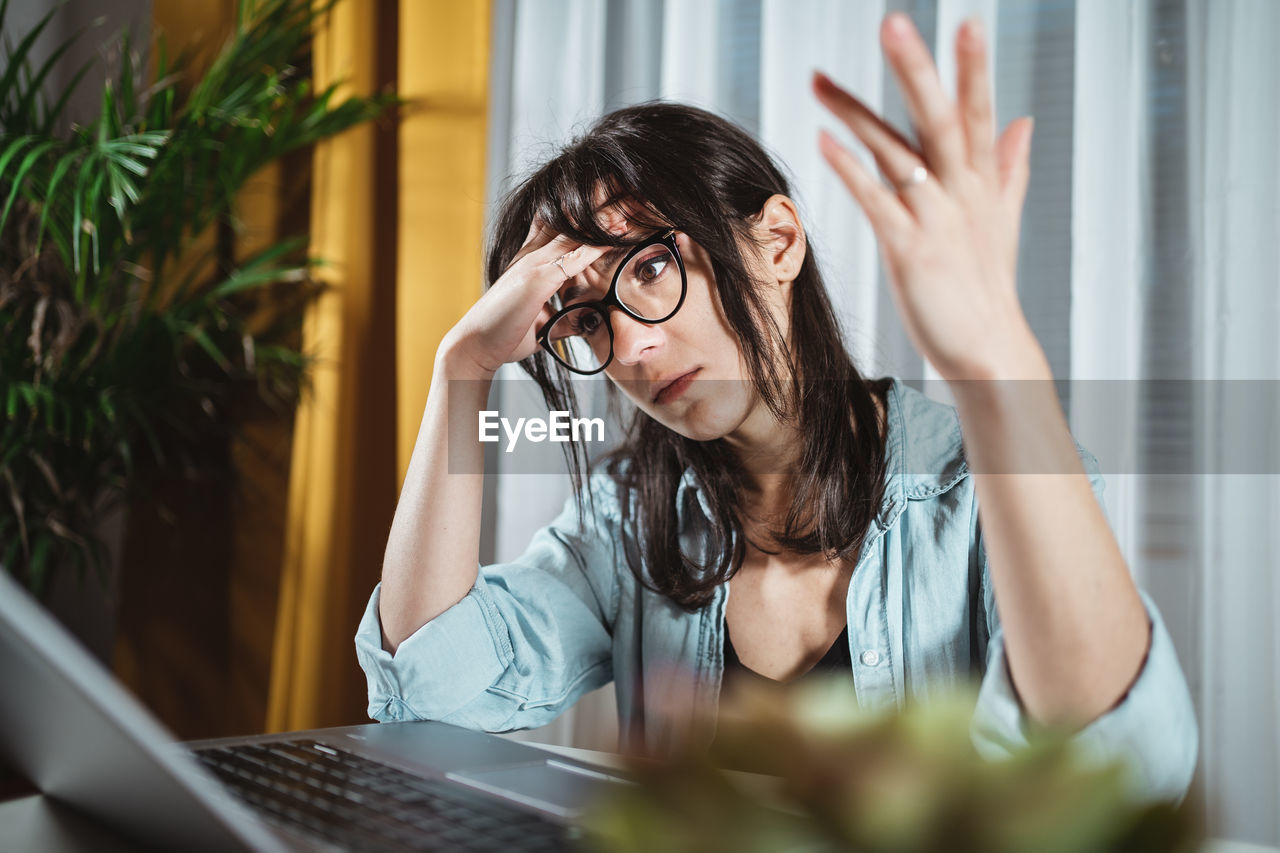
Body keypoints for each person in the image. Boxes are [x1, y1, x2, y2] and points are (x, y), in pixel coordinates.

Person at [356, 13, 1196, 801]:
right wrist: (461, 368)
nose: (634, 348)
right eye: (586, 318)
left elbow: (1125, 777)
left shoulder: (987, 491)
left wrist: (994, 359)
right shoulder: (627, 520)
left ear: (777, 242)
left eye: (649, 268)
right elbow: (436, 694)